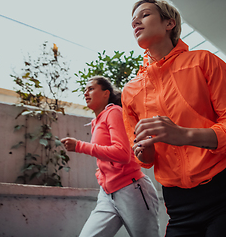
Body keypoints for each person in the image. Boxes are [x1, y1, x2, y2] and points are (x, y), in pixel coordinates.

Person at [121, 0, 226, 236]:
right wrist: (144, 152)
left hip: (225, 199)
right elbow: (144, 158)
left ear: (169, 23)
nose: (135, 20)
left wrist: (184, 135)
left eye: (144, 14)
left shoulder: (203, 61)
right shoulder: (130, 91)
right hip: (177, 207)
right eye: (133, 18)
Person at [61, 76, 161, 237]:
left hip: (131, 190)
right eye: (85, 90)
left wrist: (79, 146)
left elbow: (122, 154)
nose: (86, 92)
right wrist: (103, 172)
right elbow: (107, 154)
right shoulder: (97, 121)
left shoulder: (114, 111)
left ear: (106, 93)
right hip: (107, 194)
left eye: (91, 88)